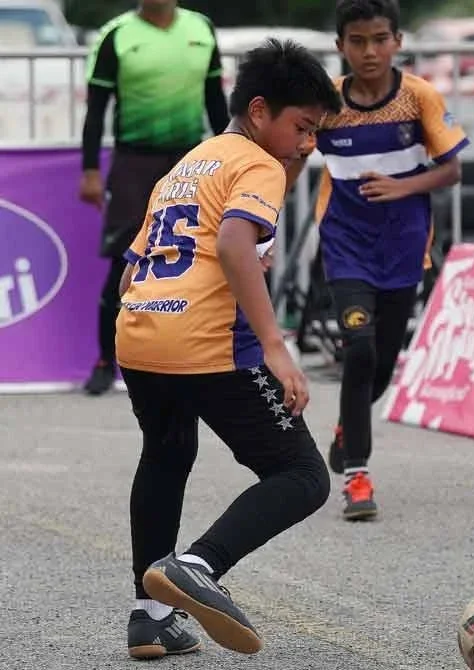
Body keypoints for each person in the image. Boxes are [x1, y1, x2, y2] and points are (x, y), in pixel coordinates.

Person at [115, 38, 342, 660]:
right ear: (261, 110)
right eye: (301, 127)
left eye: (316, 133)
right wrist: (275, 346)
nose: (306, 144)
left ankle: (151, 615)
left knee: (165, 456)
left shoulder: (191, 163)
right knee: (301, 475)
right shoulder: (256, 165)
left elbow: (132, 269)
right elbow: (235, 247)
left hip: (139, 333)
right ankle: (197, 565)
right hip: (204, 341)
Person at [287, 0, 468, 520]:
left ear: (398, 42)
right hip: (345, 245)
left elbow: (451, 171)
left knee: (383, 368)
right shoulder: (326, 101)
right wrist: (263, 225)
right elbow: (296, 158)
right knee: (360, 351)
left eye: (380, 40)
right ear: (340, 45)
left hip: (404, 246)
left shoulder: (419, 97)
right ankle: (357, 478)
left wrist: (402, 186)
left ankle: (349, 426)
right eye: (358, 41)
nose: (370, 51)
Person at [79, 0, 230, 395]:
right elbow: (96, 110)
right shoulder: (117, 35)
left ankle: (190, 356)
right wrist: (90, 170)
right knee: (122, 261)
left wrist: (233, 156)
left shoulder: (202, 29)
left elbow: (216, 101)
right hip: (133, 162)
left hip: (190, 159)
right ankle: (103, 360)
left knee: (196, 259)